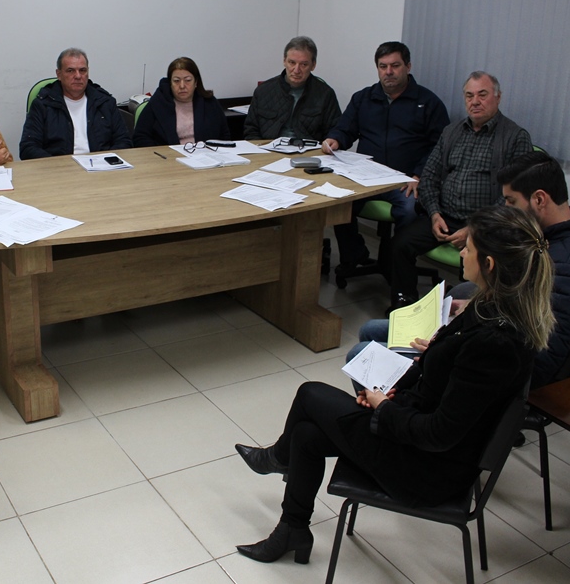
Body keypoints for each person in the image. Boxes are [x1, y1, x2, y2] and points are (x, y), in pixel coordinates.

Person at [232, 205, 552, 565]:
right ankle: (292, 528)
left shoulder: (494, 342)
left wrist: (384, 407)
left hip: (427, 470)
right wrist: (395, 393)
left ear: (489, 264)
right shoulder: (488, 310)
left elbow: (439, 434)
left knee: (310, 395)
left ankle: (278, 459)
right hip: (416, 436)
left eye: (469, 248)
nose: (462, 253)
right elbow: (445, 379)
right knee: (306, 434)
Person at [345, 152, 570, 390]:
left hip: (493, 373)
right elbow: (519, 305)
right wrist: (474, 307)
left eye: (511, 201)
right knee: (373, 330)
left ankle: (385, 414)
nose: (506, 209)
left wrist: (447, 349)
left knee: (361, 353)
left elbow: (538, 364)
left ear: (539, 199)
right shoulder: (559, 235)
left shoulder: (565, 269)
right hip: (487, 338)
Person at [387, 71, 532, 310]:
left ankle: (465, 313)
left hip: (485, 225)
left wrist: (475, 228)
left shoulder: (515, 138)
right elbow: (430, 176)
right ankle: (405, 307)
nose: (475, 101)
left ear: (498, 97)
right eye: (469, 96)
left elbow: (514, 197)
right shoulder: (451, 132)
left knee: (479, 263)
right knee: (401, 244)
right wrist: (434, 214)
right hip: (445, 217)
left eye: (482, 95)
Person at [322, 42, 450, 274]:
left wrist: (419, 175)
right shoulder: (363, 98)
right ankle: (354, 255)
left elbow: (440, 147)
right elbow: (345, 129)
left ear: (408, 67)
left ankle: (395, 265)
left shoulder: (428, 103)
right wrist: (335, 140)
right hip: (366, 176)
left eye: (395, 65)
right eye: (383, 66)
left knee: (409, 210)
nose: (388, 72)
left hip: (405, 179)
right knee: (337, 202)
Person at [19, 48, 132, 159]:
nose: (78, 76)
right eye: (70, 70)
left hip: (101, 165)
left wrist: (105, 161)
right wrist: (56, 165)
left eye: (82, 70)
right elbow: (28, 148)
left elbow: (124, 141)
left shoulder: (104, 102)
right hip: (59, 167)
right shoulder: (43, 104)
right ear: (59, 74)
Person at [242, 36, 341, 142]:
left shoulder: (325, 94)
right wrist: (261, 149)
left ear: (313, 65)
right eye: (292, 63)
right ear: (284, 61)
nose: (296, 70)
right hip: (268, 149)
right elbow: (251, 130)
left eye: (303, 64)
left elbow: (335, 132)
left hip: (309, 150)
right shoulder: (263, 91)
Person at [132, 57, 229, 147]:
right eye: (176, 81)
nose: (182, 86)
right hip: (169, 157)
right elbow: (140, 137)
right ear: (170, 83)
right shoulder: (158, 103)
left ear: (196, 82)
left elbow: (224, 135)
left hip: (205, 155)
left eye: (188, 80)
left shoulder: (209, 103)